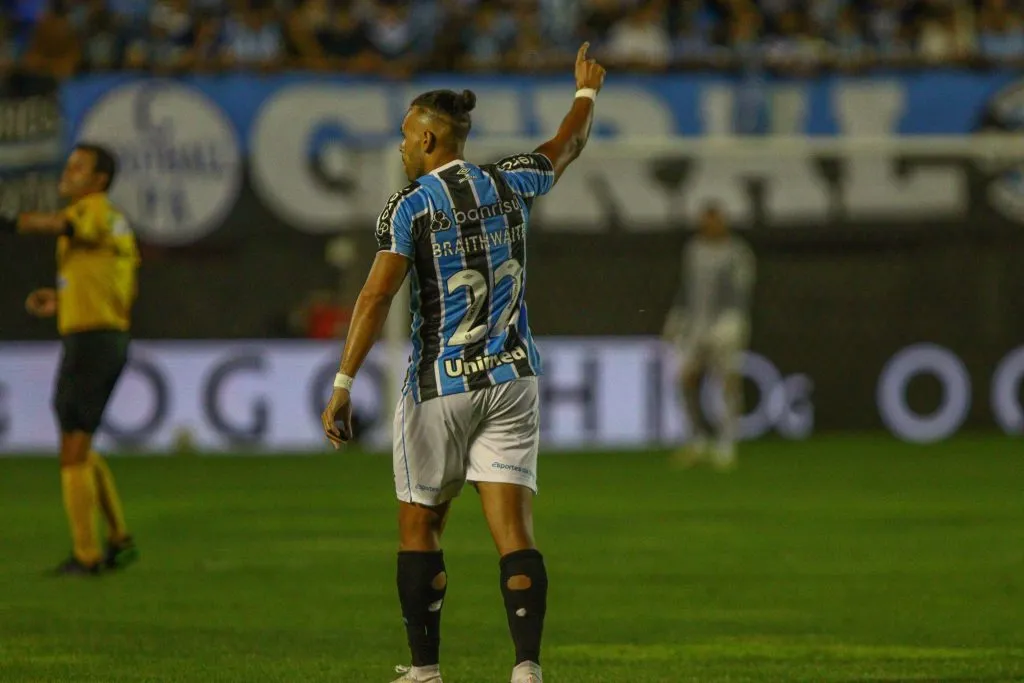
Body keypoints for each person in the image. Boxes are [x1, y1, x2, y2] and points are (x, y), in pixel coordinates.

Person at [320, 43, 606, 683]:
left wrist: (342, 382)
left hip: (440, 384)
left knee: (420, 524)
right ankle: (526, 668)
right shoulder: (510, 181)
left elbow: (376, 295)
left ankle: (425, 672)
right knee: (514, 530)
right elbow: (569, 143)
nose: (401, 146)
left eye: (405, 136)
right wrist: (585, 93)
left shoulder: (411, 205)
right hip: (512, 377)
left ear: (427, 138)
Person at [1, 143, 140, 575]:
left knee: (72, 448)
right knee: (80, 441)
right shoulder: (110, 220)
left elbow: (63, 224)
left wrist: (12, 220)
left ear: (99, 180)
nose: (68, 172)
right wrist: (63, 299)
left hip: (94, 341)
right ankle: (118, 538)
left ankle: (86, 555)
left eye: (78, 167)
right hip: (100, 336)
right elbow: (110, 281)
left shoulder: (93, 210)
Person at [663, 201, 756, 471]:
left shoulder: (738, 252)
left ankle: (727, 444)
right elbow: (686, 287)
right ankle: (697, 439)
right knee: (686, 379)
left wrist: (733, 321)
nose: (709, 226)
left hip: (726, 324)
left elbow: (742, 291)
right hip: (697, 326)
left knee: (727, 382)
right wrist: (677, 317)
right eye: (705, 221)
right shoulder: (694, 250)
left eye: (714, 221)